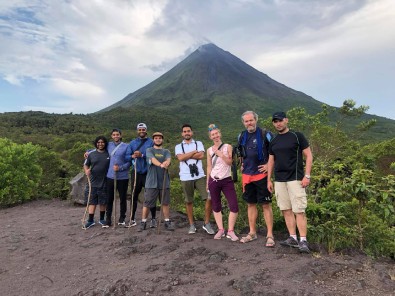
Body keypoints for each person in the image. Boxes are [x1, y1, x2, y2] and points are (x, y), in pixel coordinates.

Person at [267, 111, 313, 253]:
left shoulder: (297, 136)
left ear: (286, 120)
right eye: (275, 121)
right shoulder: (273, 140)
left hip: (295, 178)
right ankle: (292, 238)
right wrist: (269, 179)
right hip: (280, 180)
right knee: (285, 209)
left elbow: (309, 155)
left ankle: (303, 240)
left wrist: (307, 176)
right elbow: (271, 160)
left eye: (280, 120)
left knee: (299, 210)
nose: (278, 123)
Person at [238, 111, 274, 247]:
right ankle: (252, 232)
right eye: (246, 121)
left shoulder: (265, 134)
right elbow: (241, 152)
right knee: (250, 204)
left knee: (266, 204)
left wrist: (268, 165)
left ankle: (270, 234)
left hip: (262, 175)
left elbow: (274, 152)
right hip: (247, 176)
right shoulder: (241, 136)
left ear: (256, 120)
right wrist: (242, 164)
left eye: (251, 120)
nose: (249, 123)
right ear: (243, 123)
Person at [175, 124, 214, 235]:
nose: (187, 133)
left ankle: (206, 223)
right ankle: (192, 225)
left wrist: (186, 155)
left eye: (188, 131)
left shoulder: (199, 143)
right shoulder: (178, 146)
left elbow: (201, 156)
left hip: (200, 175)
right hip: (185, 176)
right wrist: (193, 152)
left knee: (209, 197)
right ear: (182, 133)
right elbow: (180, 158)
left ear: (192, 132)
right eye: (184, 131)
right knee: (189, 201)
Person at [206, 124, 239, 241]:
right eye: (212, 135)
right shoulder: (209, 150)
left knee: (234, 205)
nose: (215, 136)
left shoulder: (228, 147)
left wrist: (220, 154)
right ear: (210, 137)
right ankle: (221, 229)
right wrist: (207, 183)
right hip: (213, 180)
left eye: (216, 134)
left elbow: (230, 162)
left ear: (220, 134)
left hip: (226, 180)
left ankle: (230, 230)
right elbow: (209, 167)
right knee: (216, 206)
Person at [138, 132, 175, 232]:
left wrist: (166, 163)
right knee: (147, 203)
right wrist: (161, 165)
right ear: (153, 140)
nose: (158, 139)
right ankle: (143, 222)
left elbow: (168, 160)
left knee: (165, 203)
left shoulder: (166, 151)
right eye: (156, 138)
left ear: (162, 140)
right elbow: (152, 160)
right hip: (151, 182)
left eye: (159, 138)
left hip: (164, 181)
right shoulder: (149, 150)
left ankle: (167, 222)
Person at [125, 123, 156, 227]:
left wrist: (142, 155)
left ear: (146, 130)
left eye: (143, 129)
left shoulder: (151, 142)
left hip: (148, 172)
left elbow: (154, 155)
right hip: (136, 172)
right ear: (137, 131)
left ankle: (153, 218)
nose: (141, 131)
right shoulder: (132, 143)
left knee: (150, 195)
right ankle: (132, 218)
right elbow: (126, 156)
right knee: (134, 195)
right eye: (140, 129)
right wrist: (132, 156)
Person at [103, 128, 130, 227]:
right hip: (110, 176)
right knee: (109, 198)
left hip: (123, 177)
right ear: (111, 136)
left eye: (117, 134)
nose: (116, 136)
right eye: (114, 135)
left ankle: (122, 218)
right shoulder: (109, 145)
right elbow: (98, 149)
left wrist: (120, 168)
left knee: (123, 198)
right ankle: (108, 219)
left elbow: (129, 161)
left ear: (120, 135)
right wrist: (88, 152)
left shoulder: (126, 146)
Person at [83, 136, 110, 229]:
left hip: (105, 181)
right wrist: (86, 171)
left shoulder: (108, 153)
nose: (100, 144)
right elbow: (86, 165)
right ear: (96, 143)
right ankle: (90, 220)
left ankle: (102, 219)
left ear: (105, 143)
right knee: (92, 201)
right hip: (92, 181)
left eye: (102, 142)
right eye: (98, 142)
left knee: (103, 201)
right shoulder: (91, 154)